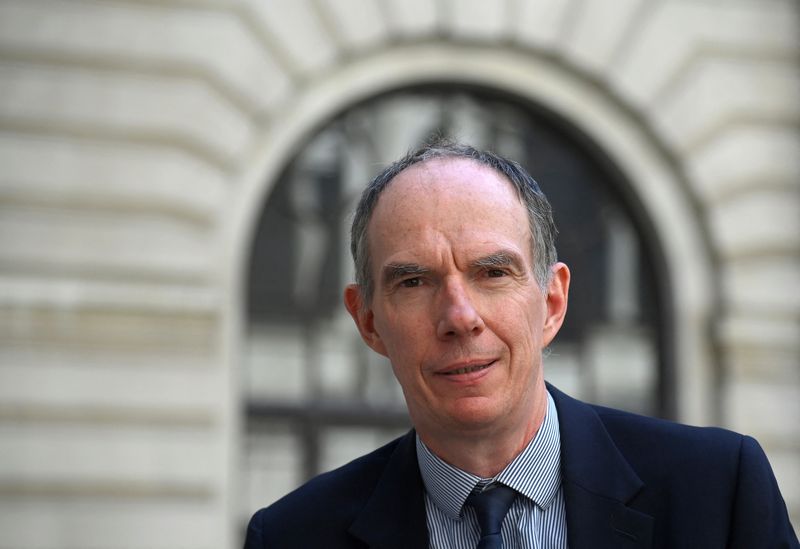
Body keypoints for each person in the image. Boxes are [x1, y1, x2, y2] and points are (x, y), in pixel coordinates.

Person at [244, 142, 798, 548]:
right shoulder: (294, 536)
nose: (459, 317)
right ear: (367, 321)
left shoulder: (718, 493)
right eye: (414, 282)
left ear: (552, 303)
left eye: (492, 272)